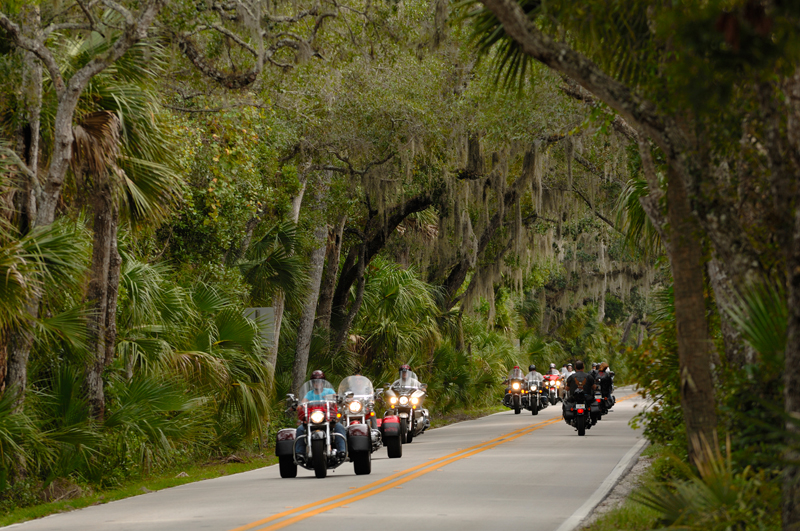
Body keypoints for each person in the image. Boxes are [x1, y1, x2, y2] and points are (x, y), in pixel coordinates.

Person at [296, 370, 346, 455]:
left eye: (319, 381)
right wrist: (298, 406)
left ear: (323, 382)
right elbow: (302, 402)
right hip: (312, 420)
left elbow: (335, 398)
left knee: (339, 427)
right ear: (312, 383)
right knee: (300, 429)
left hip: (328, 419)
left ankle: (342, 451)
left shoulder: (329, 391)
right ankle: (299, 453)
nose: (317, 383)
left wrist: (337, 398)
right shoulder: (309, 394)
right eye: (315, 381)